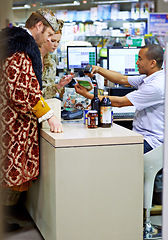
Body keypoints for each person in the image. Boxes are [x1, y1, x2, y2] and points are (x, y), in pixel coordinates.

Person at [0, 9, 63, 231]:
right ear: (38, 27)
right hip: (12, 126)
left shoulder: (18, 46)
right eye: (48, 36)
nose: (49, 41)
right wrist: (50, 115)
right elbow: (24, 92)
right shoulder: (19, 51)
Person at [75, 44, 165, 154]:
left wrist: (88, 95)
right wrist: (98, 69)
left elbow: (120, 102)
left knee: (110, 152)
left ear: (152, 63)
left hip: (151, 142)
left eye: (140, 59)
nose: (137, 62)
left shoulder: (155, 86)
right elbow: (121, 79)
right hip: (142, 136)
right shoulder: (149, 77)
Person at [40, 19, 74, 99]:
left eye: (58, 41)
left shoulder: (51, 63)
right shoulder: (30, 60)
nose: (56, 45)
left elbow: (46, 94)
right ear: (45, 38)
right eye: (53, 41)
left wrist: (59, 85)